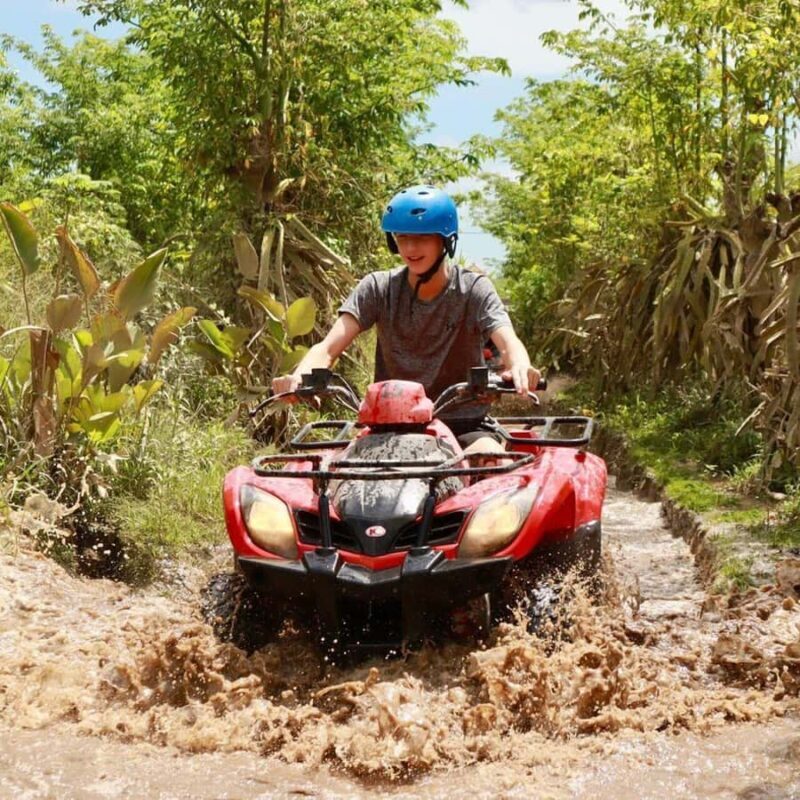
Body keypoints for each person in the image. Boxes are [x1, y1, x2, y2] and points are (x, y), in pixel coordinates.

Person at [272, 184, 541, 456]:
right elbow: (327, 348)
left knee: (491, 461)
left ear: (445, 240)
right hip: (388, 427)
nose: (410, 248)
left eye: (422, 237)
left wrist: (520, 365)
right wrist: (298, 378)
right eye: (402, 237)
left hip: (463, 426)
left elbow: (507, 342)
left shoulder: (472, 290)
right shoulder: (378, 288)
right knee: (332, 479)